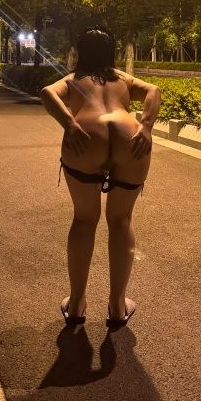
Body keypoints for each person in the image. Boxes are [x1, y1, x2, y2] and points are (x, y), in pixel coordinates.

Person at [40, 28, 161, 329]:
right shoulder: (122, 79)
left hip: (86, 138)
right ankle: (117, 306)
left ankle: (77, 303)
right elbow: (154, 90)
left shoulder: (73, 80)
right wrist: (146, 126)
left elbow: (47, 93)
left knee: (84, 219)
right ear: (112, 53)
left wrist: (69, 123)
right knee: (121, 220)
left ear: (80, 53)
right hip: (128, 136)